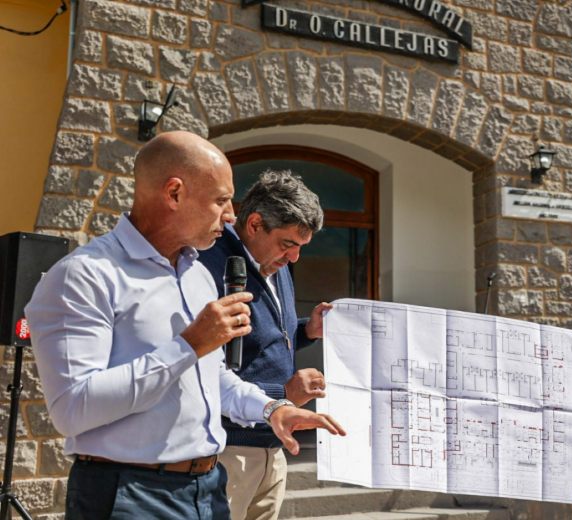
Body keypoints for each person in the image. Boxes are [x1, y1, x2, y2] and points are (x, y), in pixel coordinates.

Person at [24, 131, 345, 519]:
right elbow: (73, 409)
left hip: (207, 488)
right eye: (221, 200)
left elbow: (212, 377)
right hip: (129, 493)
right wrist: (189, 344)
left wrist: (271, 408)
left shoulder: (197, 275)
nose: (230, 216)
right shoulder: (84, 276)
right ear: (174, 193)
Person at [198, 170, 329, 520]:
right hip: (227, 450)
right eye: (288, 244)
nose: (294, 257)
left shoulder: (277, 262)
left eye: (301, 247)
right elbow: (203, 369)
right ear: (255, 224)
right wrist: (282, 393)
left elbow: (261, 340)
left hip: (273, 448)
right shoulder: (208, 264)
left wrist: (307, 331)